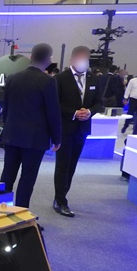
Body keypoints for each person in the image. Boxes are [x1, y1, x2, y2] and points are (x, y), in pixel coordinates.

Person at [0, 43, 61, 209]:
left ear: (31, 57)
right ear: (49, 60)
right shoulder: (48, 81)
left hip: (12, 134)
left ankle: (0, 210)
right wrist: (57, 138)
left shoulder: (13, 78)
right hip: (35, 139)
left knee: (7, 175)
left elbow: (5, 107)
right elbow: (53, 112)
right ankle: (20, 213)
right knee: (28, 178)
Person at [53, 46, 104, 217]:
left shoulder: (93, 79)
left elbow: (99, 102)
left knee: (72, 165)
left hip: (82, 129)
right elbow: (55, 103)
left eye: (86, 58)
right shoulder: (60, 78)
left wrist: (89, 112)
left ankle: (62, 195)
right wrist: (73, 113)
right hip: (65, 128)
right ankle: (60, 200)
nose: (84, 61)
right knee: (63, 165)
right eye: (81, 58)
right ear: (72, 59)